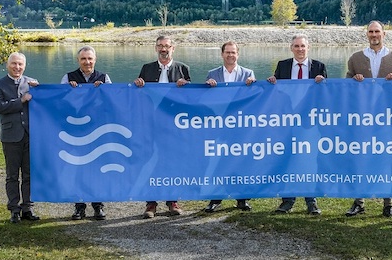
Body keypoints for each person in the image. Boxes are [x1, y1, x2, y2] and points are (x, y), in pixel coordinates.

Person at [344, 21, 392, 218]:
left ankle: (388, 203)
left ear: (384, 34)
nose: (374, 35)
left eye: (377, 31)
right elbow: (345, 85)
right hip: (363, 117)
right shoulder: (355, 58)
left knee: (386, 159)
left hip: (387, 118)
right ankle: (359, 201)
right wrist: (354, 82)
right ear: (367, 34)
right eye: (371, 32)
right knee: (361, 158)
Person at [267, 33, 327, 215]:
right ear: (291, 48)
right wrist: (271, 83)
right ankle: (288, 200)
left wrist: (323, 84)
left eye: (303, 46)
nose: (300, 49)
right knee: (288, 158)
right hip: (287, 121)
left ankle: (311, 201)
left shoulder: (319, 67)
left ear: (308, 48)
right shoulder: (283, 66)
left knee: (309, 160)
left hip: (310, 122)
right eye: (296, 46)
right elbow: (277, 93)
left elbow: (325, 95)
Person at [134, 35, 190, 219]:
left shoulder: (183, 68)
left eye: (166, 46)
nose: (163, 49)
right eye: (160, 46)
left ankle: (172, 201)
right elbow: (140, 96)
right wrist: (138, 85)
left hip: (174, 124)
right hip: (151, 123)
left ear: (173, 48)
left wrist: (186, 86)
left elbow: (190, 99)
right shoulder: (146, 68)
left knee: (172, 160)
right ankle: (151, 203)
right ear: (155, 48)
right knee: (150, 159)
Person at [203, 41, 256, 213]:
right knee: (218, 161)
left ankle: (242, 199)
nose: (230, 55)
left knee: (241, 161)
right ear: (222, 54)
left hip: (240, 125)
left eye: (233, 52)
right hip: (219, 125)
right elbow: (206, 101)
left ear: (238, 54)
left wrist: (253, 85)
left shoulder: (248, 73)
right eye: (227, 52)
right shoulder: (212, 74)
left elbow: (255, 99)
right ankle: (215, 198)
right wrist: (207, 87)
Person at [61, 45, 111, 221]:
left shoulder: (104, 78)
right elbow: (60, 102)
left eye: (90, 59)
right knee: (78, 168)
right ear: (78, 60)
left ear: (95, 60)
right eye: (83, 59)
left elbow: (112, 103)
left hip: (98, 130)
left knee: (97, 170)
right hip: (77, 130)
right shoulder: (68, 78)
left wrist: (104, 90)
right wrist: (68, 90)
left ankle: (98, 206)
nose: (87, 62)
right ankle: (79, 207)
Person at [0, 52, 40, 223]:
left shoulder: (32, 83)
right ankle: (14, 209)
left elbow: (43, 103)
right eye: (14, 64)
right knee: (12, 175)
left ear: (24, 66)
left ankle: (28, 208)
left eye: (20, 64)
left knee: (29, 175)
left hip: (30, 136)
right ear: (7, 64)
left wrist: (41, 90)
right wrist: (21, 100)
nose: (17, 67)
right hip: (11, 136)